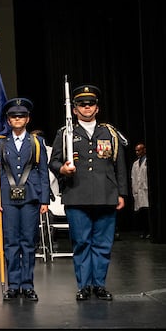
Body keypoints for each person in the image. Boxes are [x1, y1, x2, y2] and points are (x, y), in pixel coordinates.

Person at [49, 84, 128, 301]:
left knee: (103, 244)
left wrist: (121, 193)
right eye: (81, 105)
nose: (86, 107)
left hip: (106, 194)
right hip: (77, 194)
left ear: (97, 108)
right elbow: (53, 161)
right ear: (74, 109)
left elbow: (119, 165)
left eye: (90, 104)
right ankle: (84, 286)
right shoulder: (66, 133)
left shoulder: (109, 133)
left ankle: (99, 285)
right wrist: (62, 169)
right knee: (82, 242)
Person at [0, 98, 50, 302]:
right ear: (8, 120)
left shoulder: (37, 142)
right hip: (7, 198)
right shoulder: (0, 143)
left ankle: (27, 285)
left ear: (28, 119)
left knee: (28, 242)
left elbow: (43, 172)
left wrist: (44, 200)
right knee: (11, 243)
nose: (17, 119)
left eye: (21, 116)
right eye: (13, 116)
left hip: (30, 197)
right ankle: (13, 285)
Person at [131, 142, 149, 239]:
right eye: (136, 150)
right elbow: (134, 178)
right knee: (141, 213)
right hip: (138, 191)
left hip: (145, 190)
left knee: (147, 212)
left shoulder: (147, 161)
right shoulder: (135, 164)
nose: (137, 152)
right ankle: (144, 231)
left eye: (139, 150)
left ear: (144, 150)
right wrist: (134, 190)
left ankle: (149, 232)